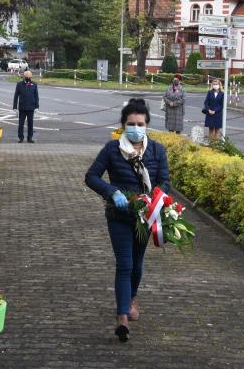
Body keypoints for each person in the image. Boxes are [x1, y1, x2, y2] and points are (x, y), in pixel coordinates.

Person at [85, 98, 171, 343]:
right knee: (124, 264)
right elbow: (91, 176)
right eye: (131, 124)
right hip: (119, 216)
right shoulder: (112, 149)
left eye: (140, 124)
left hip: (145, 217)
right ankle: (122, 316)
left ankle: (131, 298)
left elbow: (164, 181)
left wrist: (154, 198)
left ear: (147, 125)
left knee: (137, 264)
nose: (136, 128)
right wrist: (111, 192)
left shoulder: (157, 151)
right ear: (123, 125)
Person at [13, 70, 39, 143]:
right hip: (22, 107)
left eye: (29, 76)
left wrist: (37, 107)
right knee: (21, 124)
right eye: (27, 76)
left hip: (31, 107)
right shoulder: (19, 84)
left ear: (31, 77)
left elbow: (36, 96)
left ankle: (30, 138)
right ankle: (20, 138)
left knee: (30, 123)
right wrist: (15, 107)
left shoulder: (34, 84)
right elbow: (16, 96)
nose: (28, 78)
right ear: (24, 77)